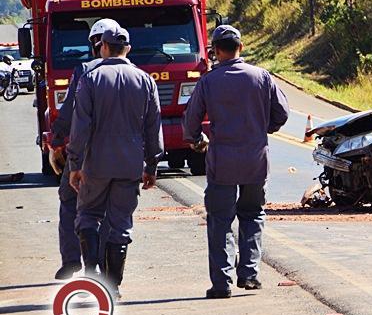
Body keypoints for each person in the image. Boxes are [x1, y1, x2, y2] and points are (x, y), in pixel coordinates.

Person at [182, 25, 289, 299]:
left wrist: (196, 139)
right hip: (255, 160)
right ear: (240, 47)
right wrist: (264, 128)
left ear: (216, 51)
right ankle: (250, 274)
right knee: (252, 214)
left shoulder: (208, 81)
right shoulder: (262, 76)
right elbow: (282, 114)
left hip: (222, 162)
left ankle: (221, 283)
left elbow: (191, 121)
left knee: (220, 220)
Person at [67, 26, 164, 299]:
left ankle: (92, 272)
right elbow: (152, 126)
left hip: (95, 163)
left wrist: (75, 164)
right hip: (129, 164)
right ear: (128, 49)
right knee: (121, 224)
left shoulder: (90, 78)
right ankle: (113, 285)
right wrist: (152, 165)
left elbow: (80, 127)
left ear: (103, 48)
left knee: (88, 215)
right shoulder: (145, 80)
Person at [50, 18, 118, 280]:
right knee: (112, 211)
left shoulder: (84, 71)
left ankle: (71, 261)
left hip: (86, 152)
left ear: (96, 44)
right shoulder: (136, 73)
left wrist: (57, 141)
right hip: (121, 156)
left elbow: (69, 113)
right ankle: (107, 269)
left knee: (70, 200)